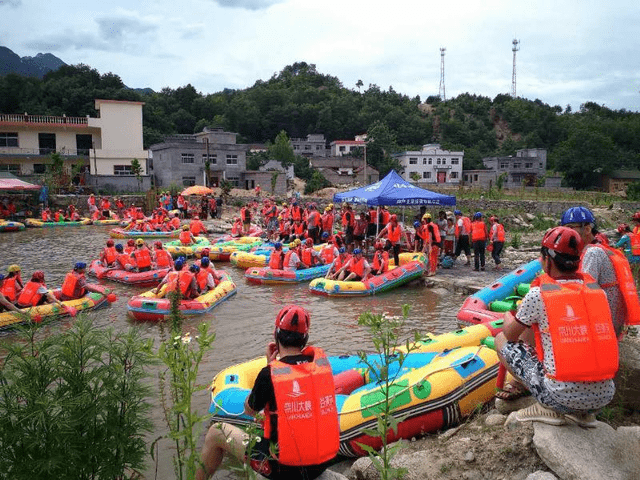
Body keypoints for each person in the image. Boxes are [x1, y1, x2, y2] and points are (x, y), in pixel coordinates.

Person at [196, 305, 339, 480]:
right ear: (305, 339)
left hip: (281, 468)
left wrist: (268, 365)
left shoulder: (269, 374)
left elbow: (250, 409)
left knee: (215, 432)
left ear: (276, 336)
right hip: (319, 464)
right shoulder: (321, 367)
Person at [495, 226, 617, 427]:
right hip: (603, 397)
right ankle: (583, 413)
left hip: (559, 397)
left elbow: (510, 335)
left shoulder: (539, 295)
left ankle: (547, 408)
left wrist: (508, 315)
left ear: (547, 260)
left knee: (501, 340)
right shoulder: (597, 292)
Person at [562, 206, 640, 337]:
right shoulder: (599, 248)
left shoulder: (593, 253)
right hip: (612, 321)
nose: (566, 233)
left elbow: (583, 290)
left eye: (570, 228)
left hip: (603, 325)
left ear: (587, 229)